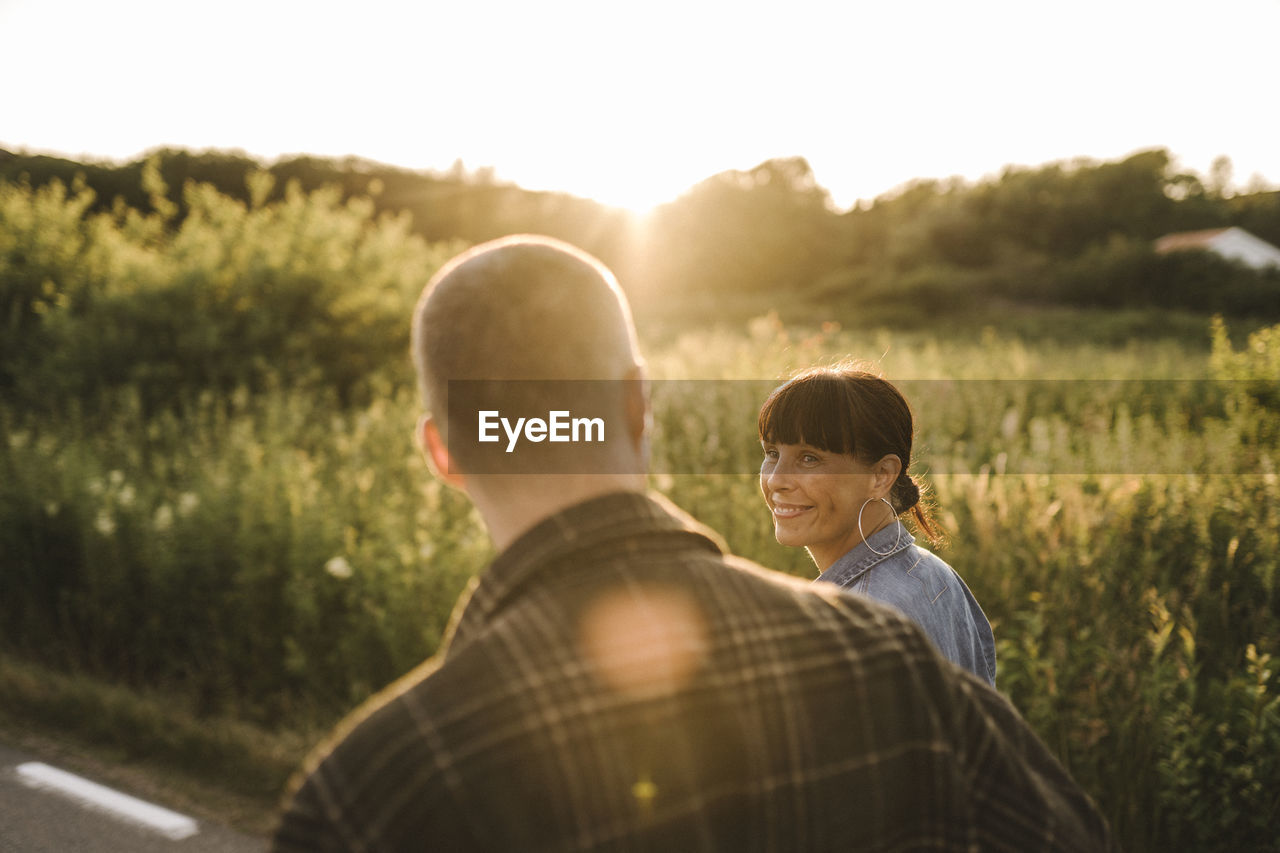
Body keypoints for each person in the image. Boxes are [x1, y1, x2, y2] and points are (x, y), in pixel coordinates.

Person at [271, 235, 1112, 851]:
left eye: (810, 458)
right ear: (639, 406)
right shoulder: (885, 656)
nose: (781, 476)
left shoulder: (372, 792)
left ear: (442, 453)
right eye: (775, 454)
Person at [758, 365, 997, 685]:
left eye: (809, 458)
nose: (776, 480)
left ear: (880, 476)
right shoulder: (934, 574)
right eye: (772, 453)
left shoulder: (854, 625)